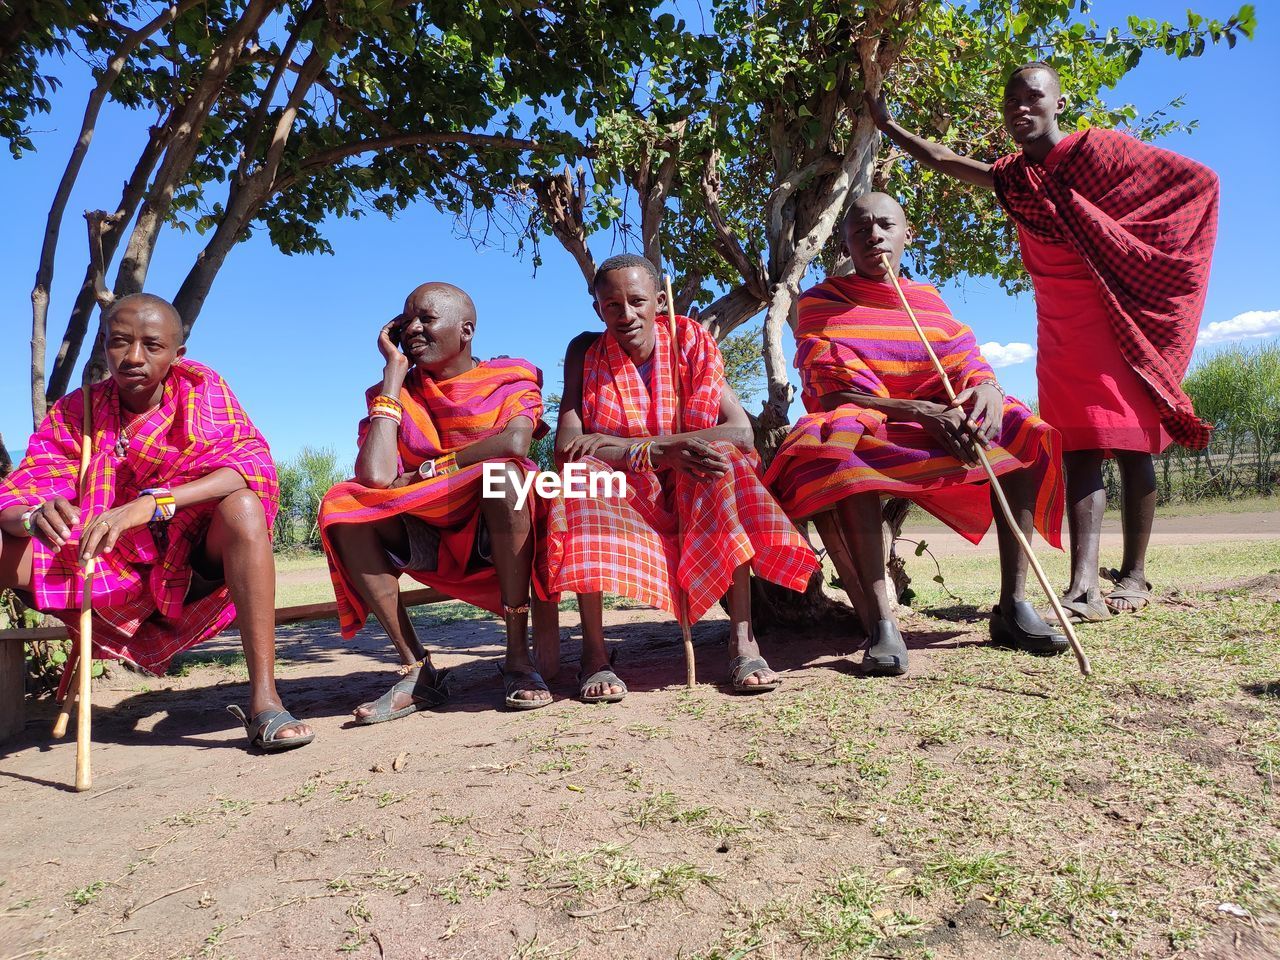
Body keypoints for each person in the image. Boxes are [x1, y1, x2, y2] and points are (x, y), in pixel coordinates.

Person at [869, 62, 1218, 620]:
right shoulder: (1013, 178)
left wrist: (1136, 253)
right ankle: (1084, 584)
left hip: (1115, 309)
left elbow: (1199, 181)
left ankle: (1133, 575)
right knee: (1079, 442)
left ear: (1058, 102)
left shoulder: (1098, 151)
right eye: (1011, 101)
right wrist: (888, 127)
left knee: (1129, 442)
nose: (1020, 108)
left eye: (1033, 97)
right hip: (1059, 324)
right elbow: (946, 161)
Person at [764, 193, 1066, 676]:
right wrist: (918, 410)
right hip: (875, 420)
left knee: (1022, 428)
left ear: (907, 235)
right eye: (861, 229)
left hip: (943, 419)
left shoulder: (928, 297)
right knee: (840, 441)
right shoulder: (821, 301)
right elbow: (832, 388)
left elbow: (964, 358)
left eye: (885, 225)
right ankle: (883, 622)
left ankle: (1013, 604)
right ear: (845, 242)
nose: (874, 236)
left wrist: (985, 389)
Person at [0, 293, 312, 750]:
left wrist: (154, 502)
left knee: (244, 505)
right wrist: (30, 516)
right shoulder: (75, 411)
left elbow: (250, 465)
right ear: (104, 345)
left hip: (190, 564)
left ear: (177, 354)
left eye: (152, 346)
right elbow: (15, 499)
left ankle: (265, 701)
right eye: (119, 343)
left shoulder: (201, 391)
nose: (132, 358)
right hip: (100, 560)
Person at [547, 253, 818, 701]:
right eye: (612, 305)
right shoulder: (585, 350)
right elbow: (568, 446)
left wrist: (668, 449)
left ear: (658, 301)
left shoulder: (690, 342)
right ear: (597, 308)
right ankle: (593, 654)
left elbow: (739, 431)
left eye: (637, 301)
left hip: (692, 482)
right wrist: (654, 451)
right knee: (581, 478)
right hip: (626, 487)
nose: (626, 314)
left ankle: (742, 640)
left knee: (721, 461)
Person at [319, 282, 555, 720]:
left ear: (466, 331)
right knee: (342, 503)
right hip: (429, 530)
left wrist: (431, 469)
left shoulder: (510, 377)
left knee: (504, 477)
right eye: (405, 320)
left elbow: (516, 443)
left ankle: (518, 658)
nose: (412, 329)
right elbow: (375, 476)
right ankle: (416, 668)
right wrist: (393, 372)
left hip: (497, 528)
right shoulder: (394, 392)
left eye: (425, 319)